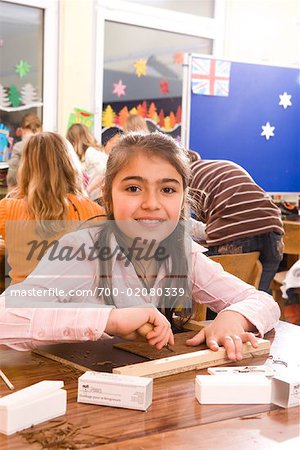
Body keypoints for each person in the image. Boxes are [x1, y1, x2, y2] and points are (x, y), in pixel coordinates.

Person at [0, 133, 280, 359]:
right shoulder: (82, 249)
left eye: (168, 190)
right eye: (133, 188)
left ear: (183, 200)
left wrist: (234, 317)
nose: (151, 203)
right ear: (108, 197)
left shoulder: (182, 252)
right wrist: (108, 320)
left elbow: (262, 301)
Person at [0, 132, 105, 284]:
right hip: (73, 301)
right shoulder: (93, 212)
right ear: (70, 164)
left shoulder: (7, 209)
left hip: (22, 301)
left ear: (26, 167)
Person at [189, 156, 284, 293]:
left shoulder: (186, 177)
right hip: (273, 228)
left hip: (236, 232)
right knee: (257, 298)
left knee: (216, 296)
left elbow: (192, 225)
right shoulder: (220, 166)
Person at [66, 124, 108, 203]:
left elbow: (104, 172)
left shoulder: (91, 152)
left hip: (98, 199)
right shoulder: (84, 155)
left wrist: (88, 190)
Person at [7, 113, 42, 190]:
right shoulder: (45, 145)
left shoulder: (19, 147)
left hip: (22, 190)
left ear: (22, 130)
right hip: (41, 190)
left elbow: (12, 174)